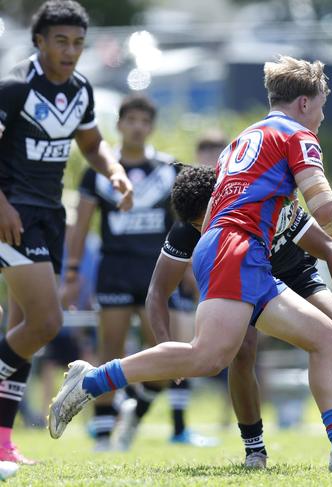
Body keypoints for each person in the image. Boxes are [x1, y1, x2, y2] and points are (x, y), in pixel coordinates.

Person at [49, 55, 332, 472]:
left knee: (326, 339)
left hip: (233, 248)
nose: (322, 115)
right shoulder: (297, 135)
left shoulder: (244, 138)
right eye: (321, 104)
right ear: (304, 103)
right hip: (238, 248)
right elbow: (323, 206)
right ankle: (90, 380)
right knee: (208, 357)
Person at [116, 164, 332, 467]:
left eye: (206, 220)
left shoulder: (265, 205)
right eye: (199, 227)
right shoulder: (186, 232)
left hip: (295, 277)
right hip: (243, 280)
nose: (206, 228)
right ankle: (255, 450)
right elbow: (157, 293)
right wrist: (164, 347)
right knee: (242, 351)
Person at [0, 0, 132, 464]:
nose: (71, 50)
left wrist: (114, 172)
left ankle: (2, 444)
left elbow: (93, 146)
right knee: (45, 324)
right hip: (13, 216)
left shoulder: (80, 90)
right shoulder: (15, 87)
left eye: (78, 42)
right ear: (39, 41)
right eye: (61, 40)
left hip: (51, 217)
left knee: (22, 332)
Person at [60, 94, 179, 451]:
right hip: (114, 269)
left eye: (145, 121)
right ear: (120, 125)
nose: (138, 127)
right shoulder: (100, 171)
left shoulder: (168, 169)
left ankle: (136, 412)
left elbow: (184, 224)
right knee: (109, 349)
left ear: (151, 127)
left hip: (156, 272)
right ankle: (102, 433)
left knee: (165, 352)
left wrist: (189, 270)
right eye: (132, 121)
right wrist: (72, 273)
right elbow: (80, 227)